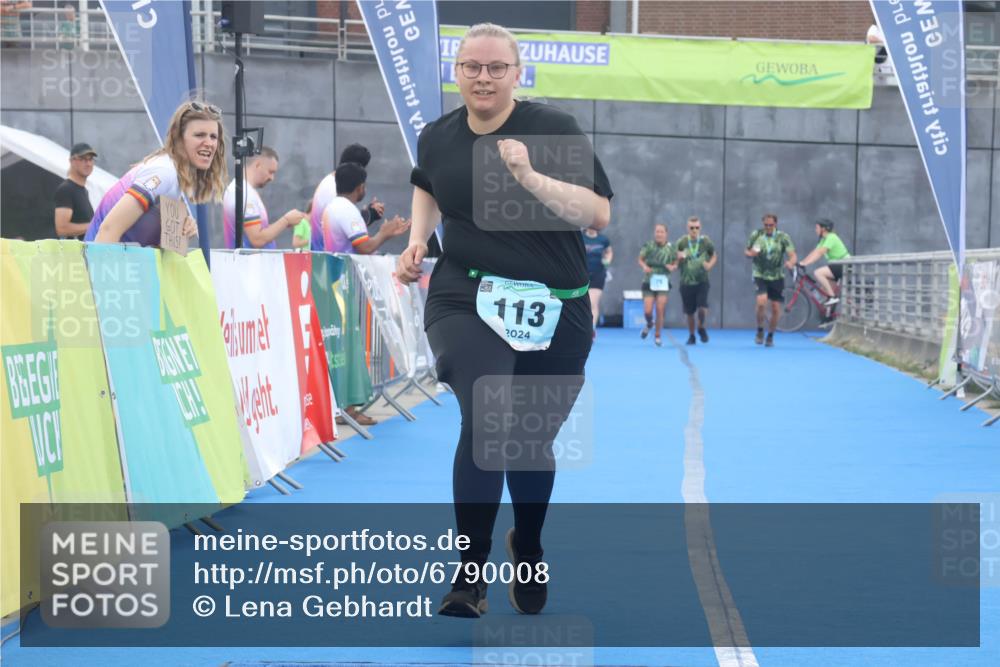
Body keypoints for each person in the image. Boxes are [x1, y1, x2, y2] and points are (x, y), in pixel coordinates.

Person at [394, 22, 612, 618]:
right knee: (489, 419)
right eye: (471, 67)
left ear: (517, 74)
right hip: (466, 293)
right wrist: (418, 241)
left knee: (530, 440)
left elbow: (596, 214)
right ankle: (469, 575)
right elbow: (426, 185)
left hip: (556, 303)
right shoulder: (436, 135)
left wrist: (529, 177)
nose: (483, 77)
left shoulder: (552, 129)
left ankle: (529, 544)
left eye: (496, 68)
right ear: (456, 72)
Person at [86, 100, 227, 246]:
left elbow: (155, 245)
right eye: (199, 135)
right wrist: (102, 269)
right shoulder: (163, 173)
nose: (209, 143)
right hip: (101, 263)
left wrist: (180, 227)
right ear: (179, 138)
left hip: (123, 263)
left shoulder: (175, 175)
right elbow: (108, 230)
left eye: (213, 137)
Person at [222, 146, 305, 249]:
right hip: (250, 263)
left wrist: (283, 224)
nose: (272, 178)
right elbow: (257, 239)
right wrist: (286, 221)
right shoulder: (244, 194)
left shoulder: (242, 190)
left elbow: (258, 232)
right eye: (270, 172)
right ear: (257, 165)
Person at [321, 161, 409, 255]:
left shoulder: (332, 206)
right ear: (360, 187)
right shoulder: (347, 209)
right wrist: (384, 233)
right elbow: (365, 248)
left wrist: (369, 214)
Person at [308, 143, 385, 250]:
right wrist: (384, 232)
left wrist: (369, 213)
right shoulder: (334, 190)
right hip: (329, 256)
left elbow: (341, 225)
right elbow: (362, 245)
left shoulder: (331, 182)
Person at [745, 213, 797, 347]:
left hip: (777, 276)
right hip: (760, 273)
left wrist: (791, 262)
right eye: (766, 225)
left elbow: (793, 255)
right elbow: (747, 251)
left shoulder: (783, 237)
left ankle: (770, 336)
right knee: (761, 302)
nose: (768, 227)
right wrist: (751, 254)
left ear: (776, 224)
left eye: (771, 225)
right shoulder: (756, 235)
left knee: (775, 308)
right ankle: (760, 330)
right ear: (763, 224)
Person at [675, 216, 717, 345]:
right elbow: (675, 260)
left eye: (697, 228)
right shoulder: (681, 242)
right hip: (686, 281)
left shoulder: (705, 242)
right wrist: (679, 259)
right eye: (691, 228)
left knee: (702, 307)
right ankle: (692, 335)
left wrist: (710, 265)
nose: (694, 230)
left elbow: (714, 255)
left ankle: (701, 326)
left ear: (700, 228)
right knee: (689, 312)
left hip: (702, 280)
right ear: (687, 228)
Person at [637, 223, 677, 347]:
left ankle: (657, 335)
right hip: (649, 281)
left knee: (660, 309)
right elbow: (640, 259)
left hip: (663, 282)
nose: (659, 234)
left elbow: (676, 261)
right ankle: (650, 324)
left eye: (661, 232)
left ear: (666, 234)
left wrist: (673, 266)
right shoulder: (649, 246)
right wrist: (644, 267)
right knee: (647, 311)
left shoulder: (671, 248)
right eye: (657, 232)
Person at [799, 218, 851, 308]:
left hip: (844, 264)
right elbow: (815, 251)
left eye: (817, 228)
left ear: (823, 229)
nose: (815, 230)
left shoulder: (831, 237)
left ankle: (832, 297)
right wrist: (802, 262)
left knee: (818, 273)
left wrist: (806, 264)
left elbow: (820, 253)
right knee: (824, 291)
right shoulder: (824, 239)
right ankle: (830, 312)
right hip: (837, 265)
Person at [52, 142, 97, 240]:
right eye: (83, 159)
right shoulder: (66, 189)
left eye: (90, 159)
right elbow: (62, 228)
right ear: (72, 161)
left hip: (85, 253)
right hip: (72, 254)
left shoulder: (84, 190)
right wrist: (94, 225)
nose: (88, 163)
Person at [581, 224, 612, 338]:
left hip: (598, 274)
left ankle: (591, 330)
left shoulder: (603, 239)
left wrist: (607, 260)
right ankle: (583, 328)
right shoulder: (580, 237)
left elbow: (609, 252)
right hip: (582, 274)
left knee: (592, 303)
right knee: (583, 304)